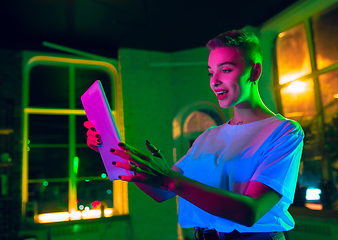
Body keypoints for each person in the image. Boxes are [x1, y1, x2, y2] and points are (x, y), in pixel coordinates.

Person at [84, 30, 304, 240]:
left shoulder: (284, 132)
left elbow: (249, 212)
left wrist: (168, 179)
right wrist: (110, 149)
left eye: (225, 70)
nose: (214, 81)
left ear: (254, 72)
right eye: (210, 72)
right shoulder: (208, 136)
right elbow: (162, 192)